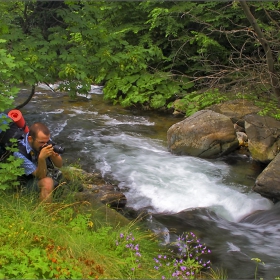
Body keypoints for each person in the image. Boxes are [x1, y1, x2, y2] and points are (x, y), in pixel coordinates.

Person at [14, 122, 63, 202]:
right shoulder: (19, 152)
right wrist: (41, 158)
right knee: (47, 183)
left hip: (42, 175)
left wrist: (54, 155)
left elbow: (59, 164)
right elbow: (41, 176)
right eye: (41, 143)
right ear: (30, 139)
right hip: (25, 183)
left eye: (47, 142)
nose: (45, 145)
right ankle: (45, 212)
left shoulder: (44, 140)